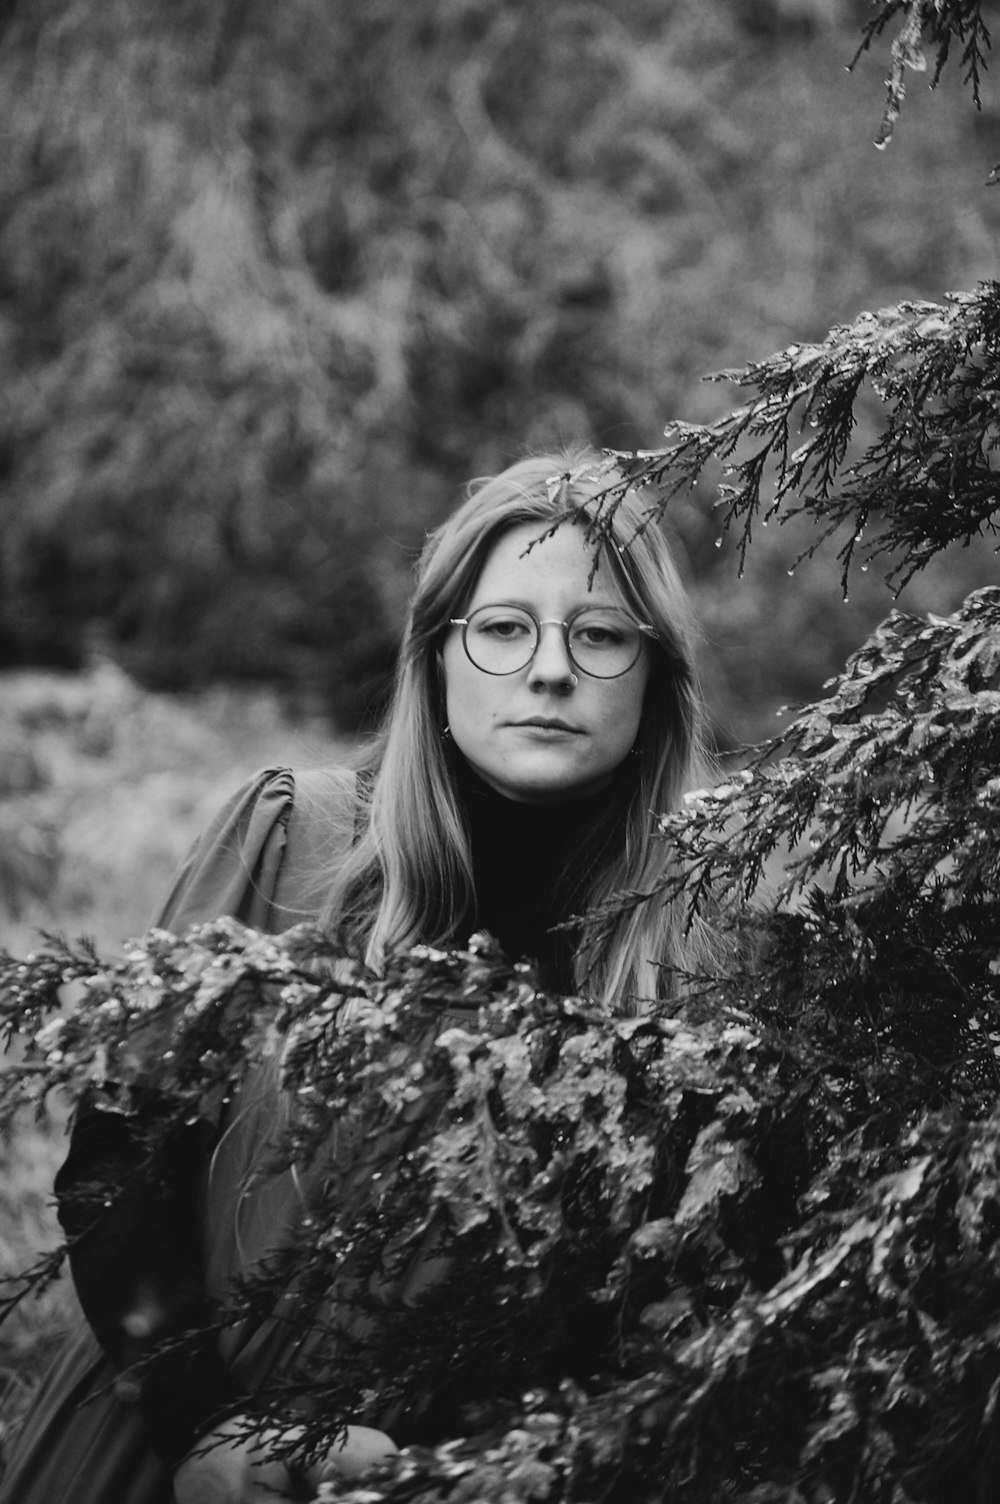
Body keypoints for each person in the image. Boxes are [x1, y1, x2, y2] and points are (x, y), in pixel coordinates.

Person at [0, 449, 717, 1504]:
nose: (551, 669)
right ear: (436, 658)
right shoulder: (294, 838)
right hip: (170, 1454)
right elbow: (118, 1163)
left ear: (656, 679)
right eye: (505, 628)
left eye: (601, 634)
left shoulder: (691, 946)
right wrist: (199, 1421)